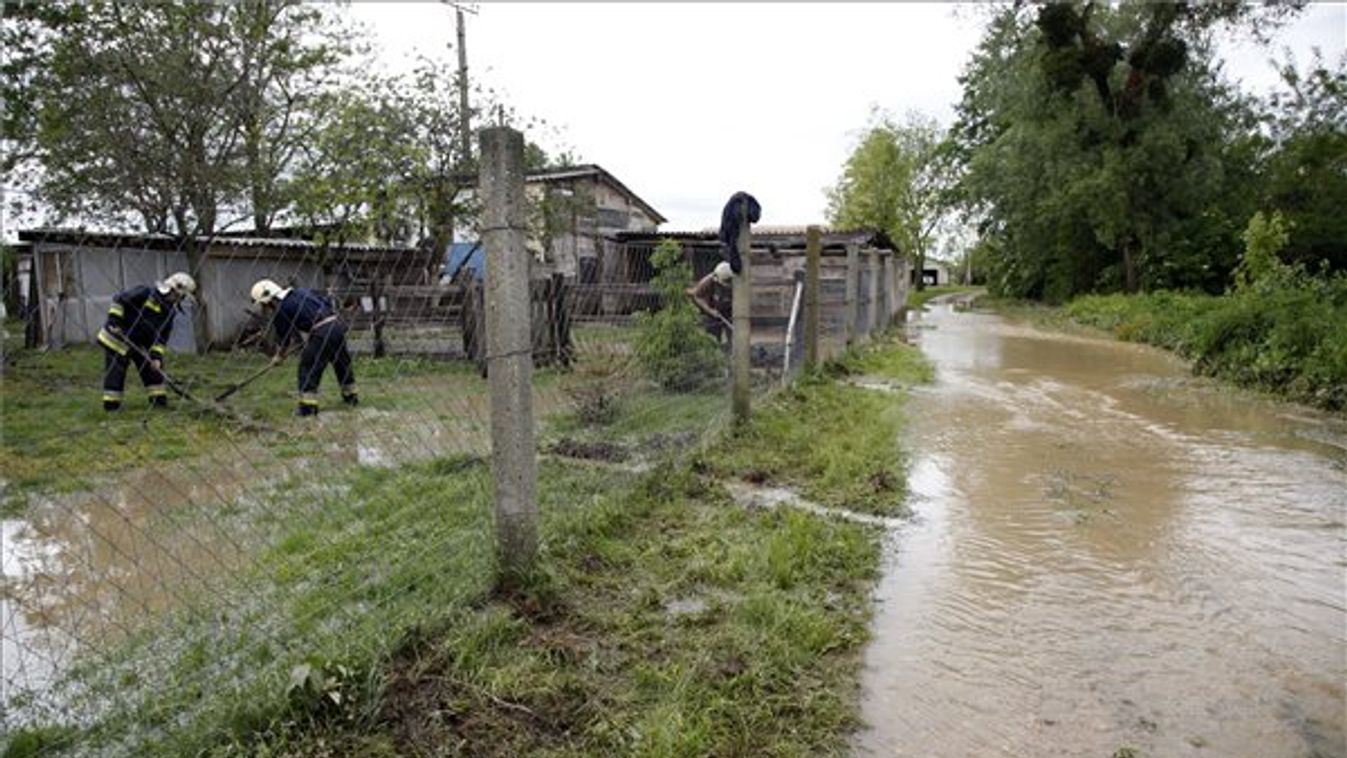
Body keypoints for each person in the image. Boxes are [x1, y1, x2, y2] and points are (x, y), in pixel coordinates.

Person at [250, 279, 357, 417]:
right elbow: (325, 303)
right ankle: (351, 397)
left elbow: (284, 337)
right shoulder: (301, 292)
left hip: (321, 331)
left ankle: (308, 407)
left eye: (264, 305)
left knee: (308, 366)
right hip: (336, 325)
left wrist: (279, 356)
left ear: (269, 300)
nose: (266, 308)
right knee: (341, 363)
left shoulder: (281, 308)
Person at [97, 272, 196, 411]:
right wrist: (114, 320)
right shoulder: (144, 292)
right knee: (116, 371)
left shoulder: (169, 312)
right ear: (173, 290)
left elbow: (161, 338)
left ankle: (159, 402)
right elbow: (119, 300)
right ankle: (111, 405)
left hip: (139, 343)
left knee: (152, 370)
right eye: (180, 296)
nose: (179, 299)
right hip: (117, 337)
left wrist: (156, 357)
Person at [685, 261, 735, 345]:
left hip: (731, 312)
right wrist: (710, 310)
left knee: (734, 338)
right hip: (713, 312)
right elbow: (698, 296)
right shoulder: (708, 281)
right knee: (713, 339)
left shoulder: (737, 283)